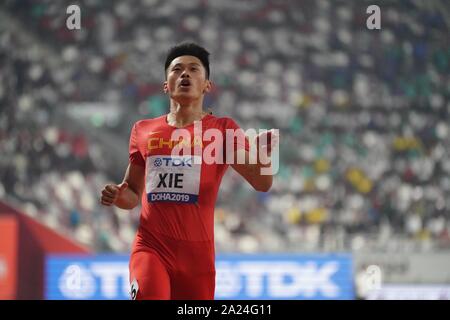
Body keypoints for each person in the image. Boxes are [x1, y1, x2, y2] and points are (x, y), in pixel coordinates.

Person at [100, 42, 278, 300]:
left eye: (194, 69)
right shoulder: (143, 130)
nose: (185, 74)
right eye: (177, 69)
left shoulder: (223, 130)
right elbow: (132, 195)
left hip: (198, 260)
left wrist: (262, 157)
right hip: (151, 247)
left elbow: (262, 183)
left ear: (207, 84)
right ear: (166, 85)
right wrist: (118, 195)